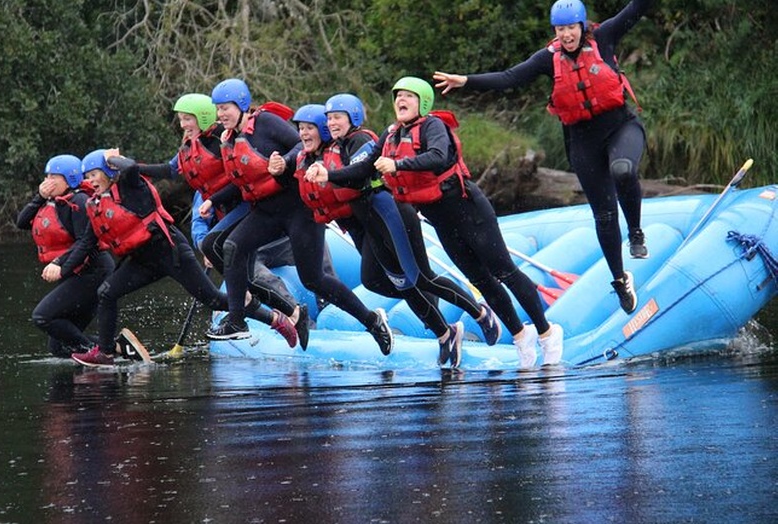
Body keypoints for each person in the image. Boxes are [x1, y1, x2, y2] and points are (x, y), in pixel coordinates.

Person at [307, 77, 563, 368]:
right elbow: (364, 167)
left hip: (469, 211)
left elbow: (438, 157)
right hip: (441, 220)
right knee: (480, 280)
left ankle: (547, 332)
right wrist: (328, 175)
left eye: (408, 96)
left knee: (504, 271)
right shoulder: (391, 135)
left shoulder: (433, 126)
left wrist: (398, 165)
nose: (401, 100)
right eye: (398, 96)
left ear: (423, 102)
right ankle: (520, 336)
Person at [433, 0, 652, 315]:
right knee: (603, 216)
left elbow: (637, 8)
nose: (566, 35)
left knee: (623, 170)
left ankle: (635, 232)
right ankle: (620, 280)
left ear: (582, 26)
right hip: (583, 141)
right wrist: (466, 80)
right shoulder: (548, 59)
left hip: (620, 126)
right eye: (560, 29)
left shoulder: (604, 37)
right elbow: (509, 78)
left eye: (571, 28)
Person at [202, 78, 393, 355]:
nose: (221, 114)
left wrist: (284, 161)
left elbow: (298, 145)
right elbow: (244, 180)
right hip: (267, 211)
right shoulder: (229, 138)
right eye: (218, 109)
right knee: (232, 246)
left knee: (314, 280)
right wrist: (213, 199)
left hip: (300, 211)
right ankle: (237, 320)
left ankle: (372, 321)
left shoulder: (266, 122)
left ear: (242, 105)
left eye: (225, 108)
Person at [65, 148, 298, 367]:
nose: (90, 181)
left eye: (94, 174)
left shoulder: (131, 187)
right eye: (87, 176)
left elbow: (132, 168)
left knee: (214, 300)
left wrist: (113, 159)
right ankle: (105, 353)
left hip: (171, 252)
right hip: (142, 260)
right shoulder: (95, 204)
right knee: (106, 293)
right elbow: (87, 243)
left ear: (109, 172)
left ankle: (274, 319)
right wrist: (62, 267)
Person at [138, 93, 311, 349]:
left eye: (187, 119)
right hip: (232, 215)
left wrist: (283, 163)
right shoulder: (191, 147)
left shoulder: (225, 137)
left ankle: (259, 311)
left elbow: (244, 175)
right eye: (181, 120)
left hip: (253, 208)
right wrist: (133, 168)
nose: (183, 125)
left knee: (238, 262)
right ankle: (282, 312)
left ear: (202, 117)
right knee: (231, 263)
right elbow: (173, 172)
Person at [15, 154, 115, 358]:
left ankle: (99, 354)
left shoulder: (80, 201)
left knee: (42, 316)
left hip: (94, 273)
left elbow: (85, 242)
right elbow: (22, 222)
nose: (47, 182)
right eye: (46, 176)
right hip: (76, 273)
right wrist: (39, 197)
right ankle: (117, 349)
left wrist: (58, 263)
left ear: (70, 179)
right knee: (59, 348)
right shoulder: (53, 202)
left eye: (54, 177)